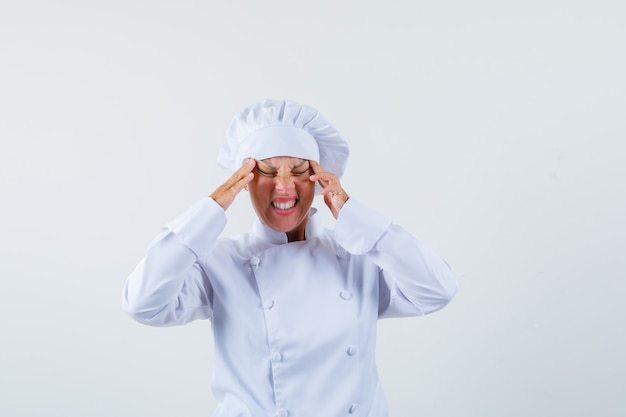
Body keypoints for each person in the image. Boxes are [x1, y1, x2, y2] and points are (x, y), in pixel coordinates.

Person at [123, 98, 458, 417]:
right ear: (245, 181)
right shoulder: (220, 264)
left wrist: (355, 215)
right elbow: (143, 303)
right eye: (267, 171)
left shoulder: (359, 258)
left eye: (299, 170)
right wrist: (213, 206)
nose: (284, 187)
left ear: (319, 180)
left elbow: (437, 290)